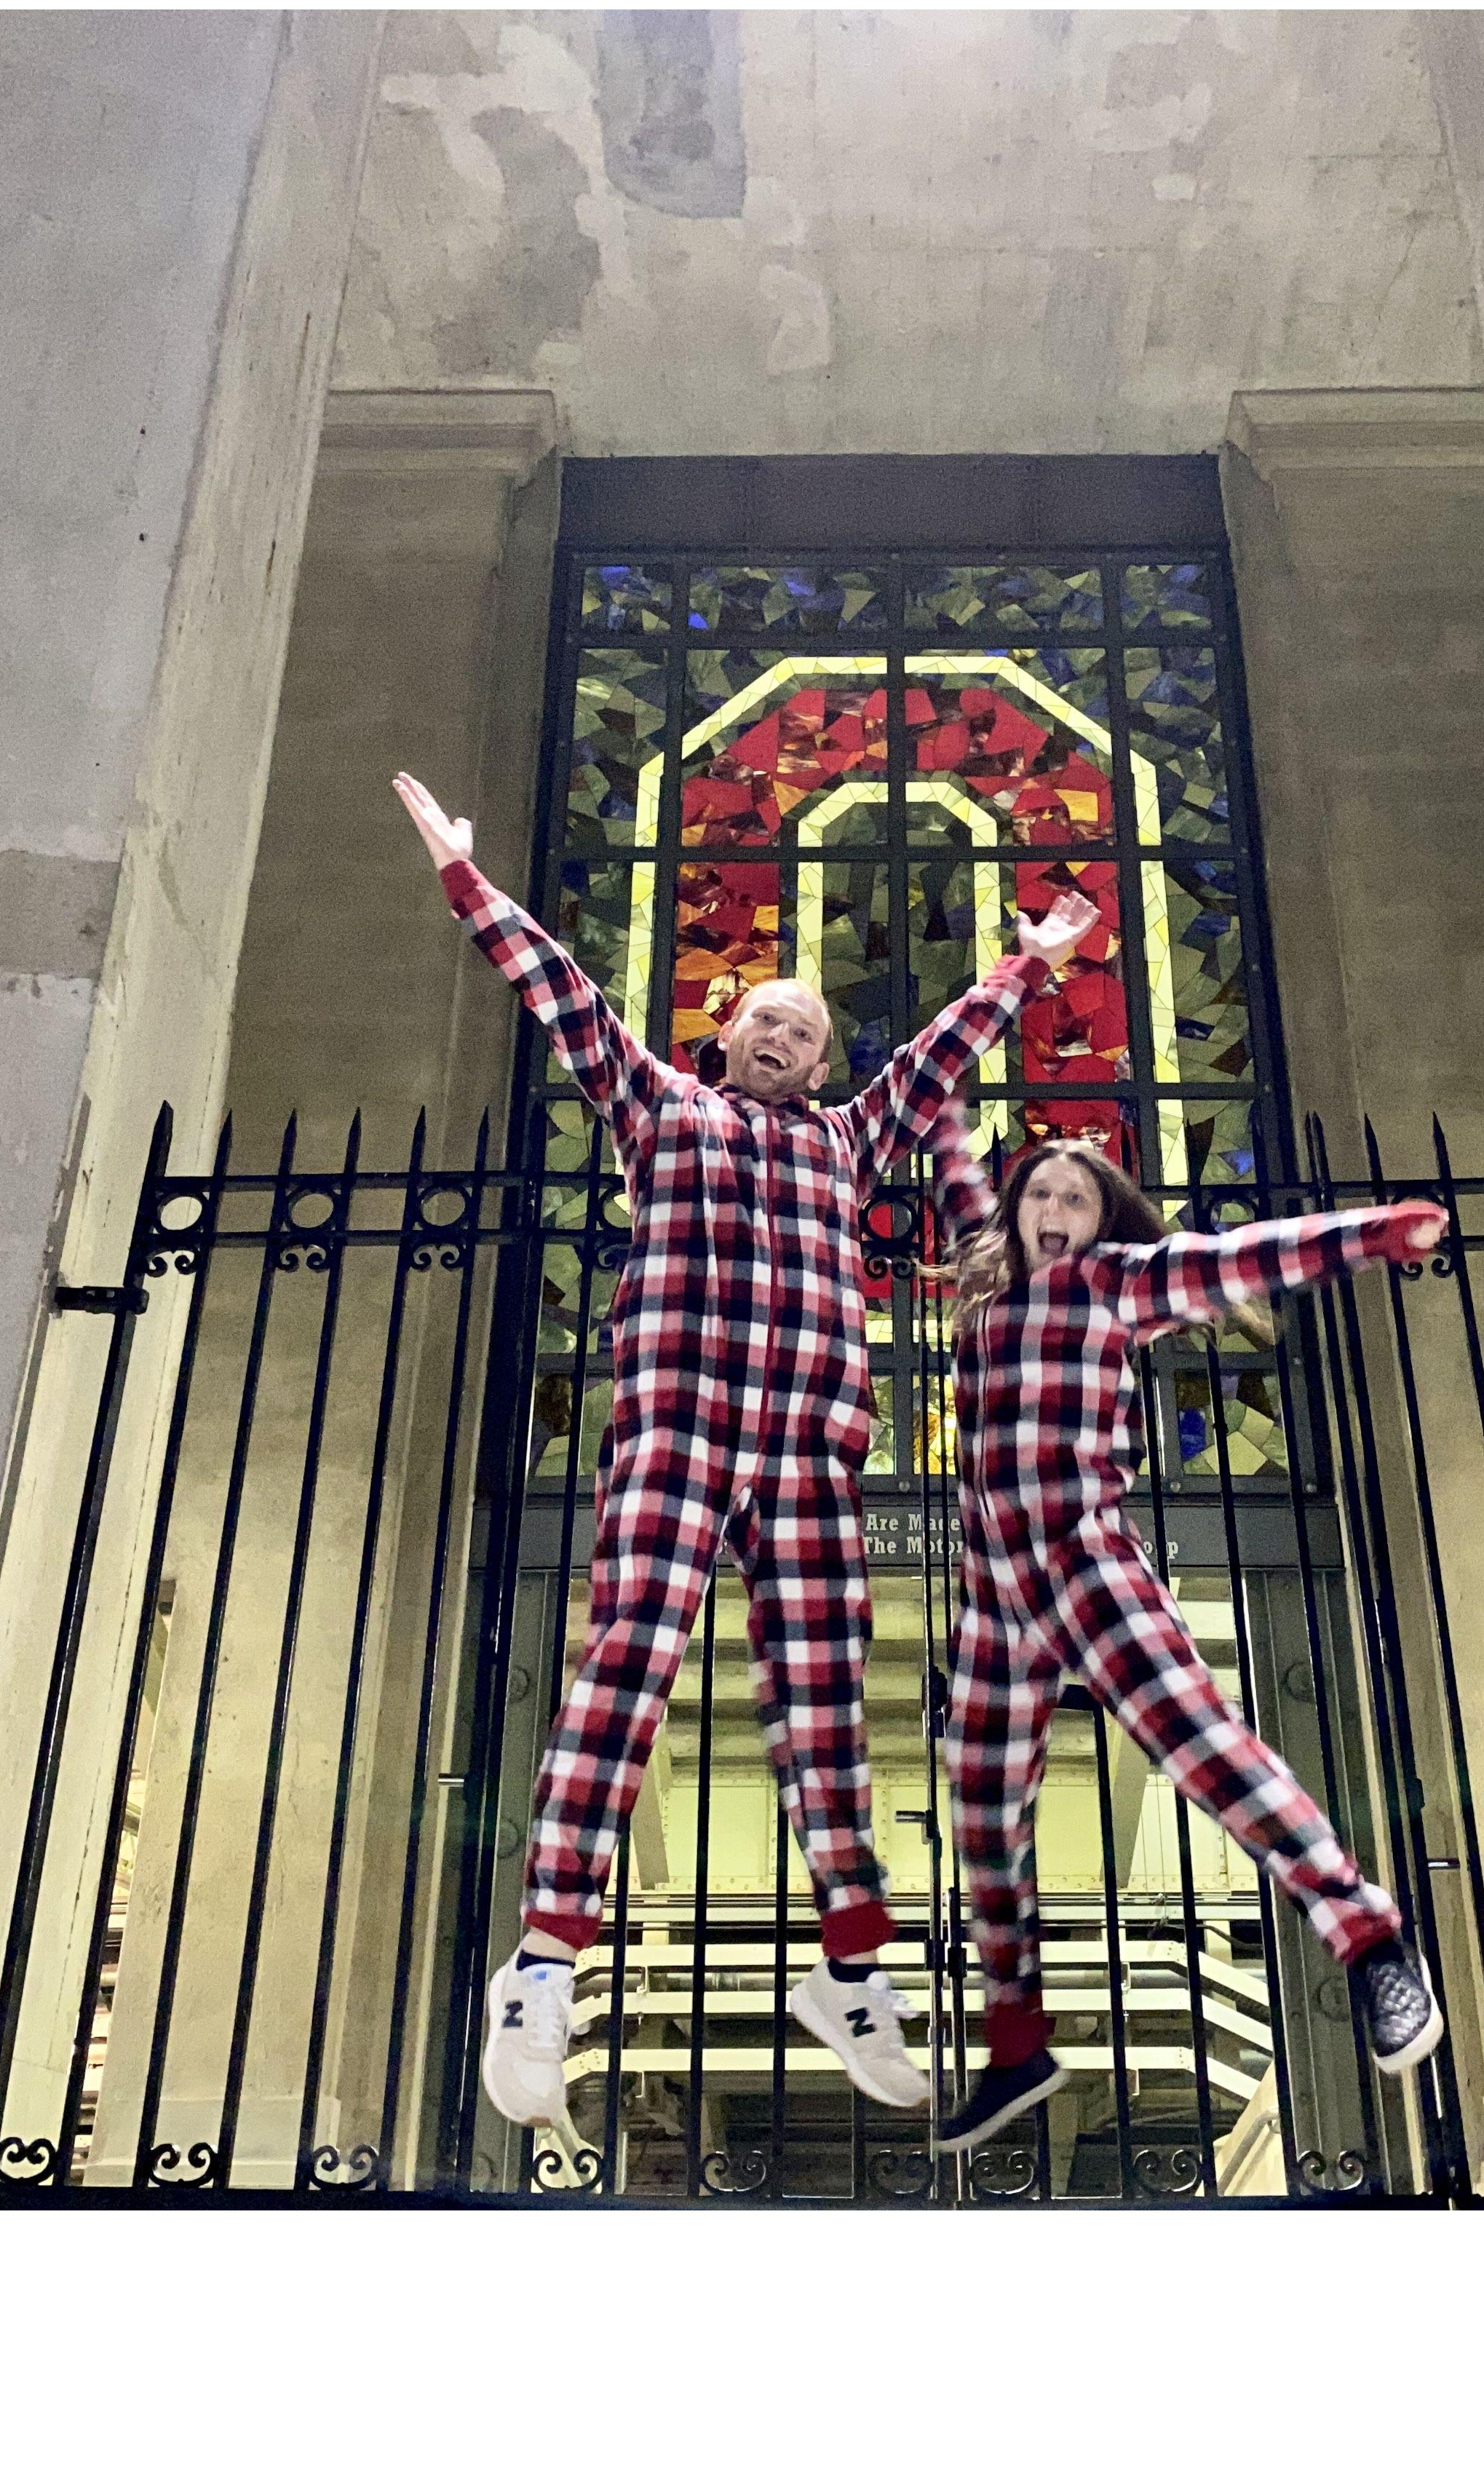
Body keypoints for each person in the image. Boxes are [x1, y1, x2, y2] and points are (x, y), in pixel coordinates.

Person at [391, 773, 1101, 2132]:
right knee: (629, 1668)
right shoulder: (663, 1106)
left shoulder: (847, 1140)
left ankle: (851, 1970)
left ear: (823, 1069)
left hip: (810, 1447)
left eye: (806, 1031)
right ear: (725, 1036)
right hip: (683, 1426)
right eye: (766, 1017)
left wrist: (1027, 966)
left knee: (827, 1699)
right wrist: (470, 883)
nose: (782, 1035)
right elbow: (566, 1003)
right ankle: (543, 1964)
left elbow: (937, 1061)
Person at [920, 1108, 1452, 2157]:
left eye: (1077, 1198)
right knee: (982, 1808)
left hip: (1085, 1564)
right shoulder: (985, 1284)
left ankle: (1369, 1937)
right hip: (994, 1594)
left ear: (1102, 1218)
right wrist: (942, 1107)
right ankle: (1017, 2042)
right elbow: (957, 1178)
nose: (1055, 1210)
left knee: (1201, 1744)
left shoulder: (1115, 1282)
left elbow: (1239, 1256)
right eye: (1041, 1194)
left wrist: (1376, 1232)